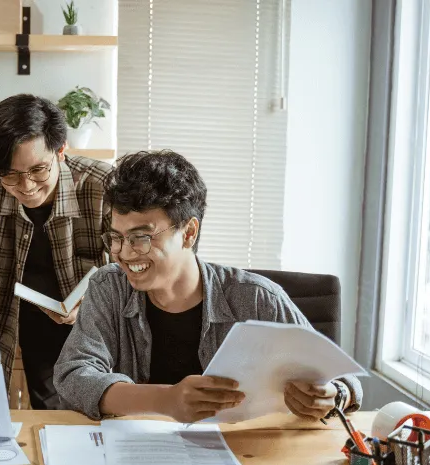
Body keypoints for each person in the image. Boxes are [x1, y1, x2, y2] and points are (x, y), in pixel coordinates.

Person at [54, 151, 363, 422]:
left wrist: (331, 396)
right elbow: (73, 374)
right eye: (116, 237)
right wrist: (164, 400)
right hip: (141, 455)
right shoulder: (109, 287)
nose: (124, 252)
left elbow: (343, 380)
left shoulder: (257, 298)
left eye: (141, 237)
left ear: (189, 232)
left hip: (243, 453)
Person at [0, 94, 113, 409]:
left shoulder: (103, 185)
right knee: (45, 412)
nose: (26, 186)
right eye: (10, 175)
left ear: (61, 151)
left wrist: (94, 302)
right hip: (19, 319)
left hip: (91, 322)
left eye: (39, 170)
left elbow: (132, 265)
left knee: (92, 410)